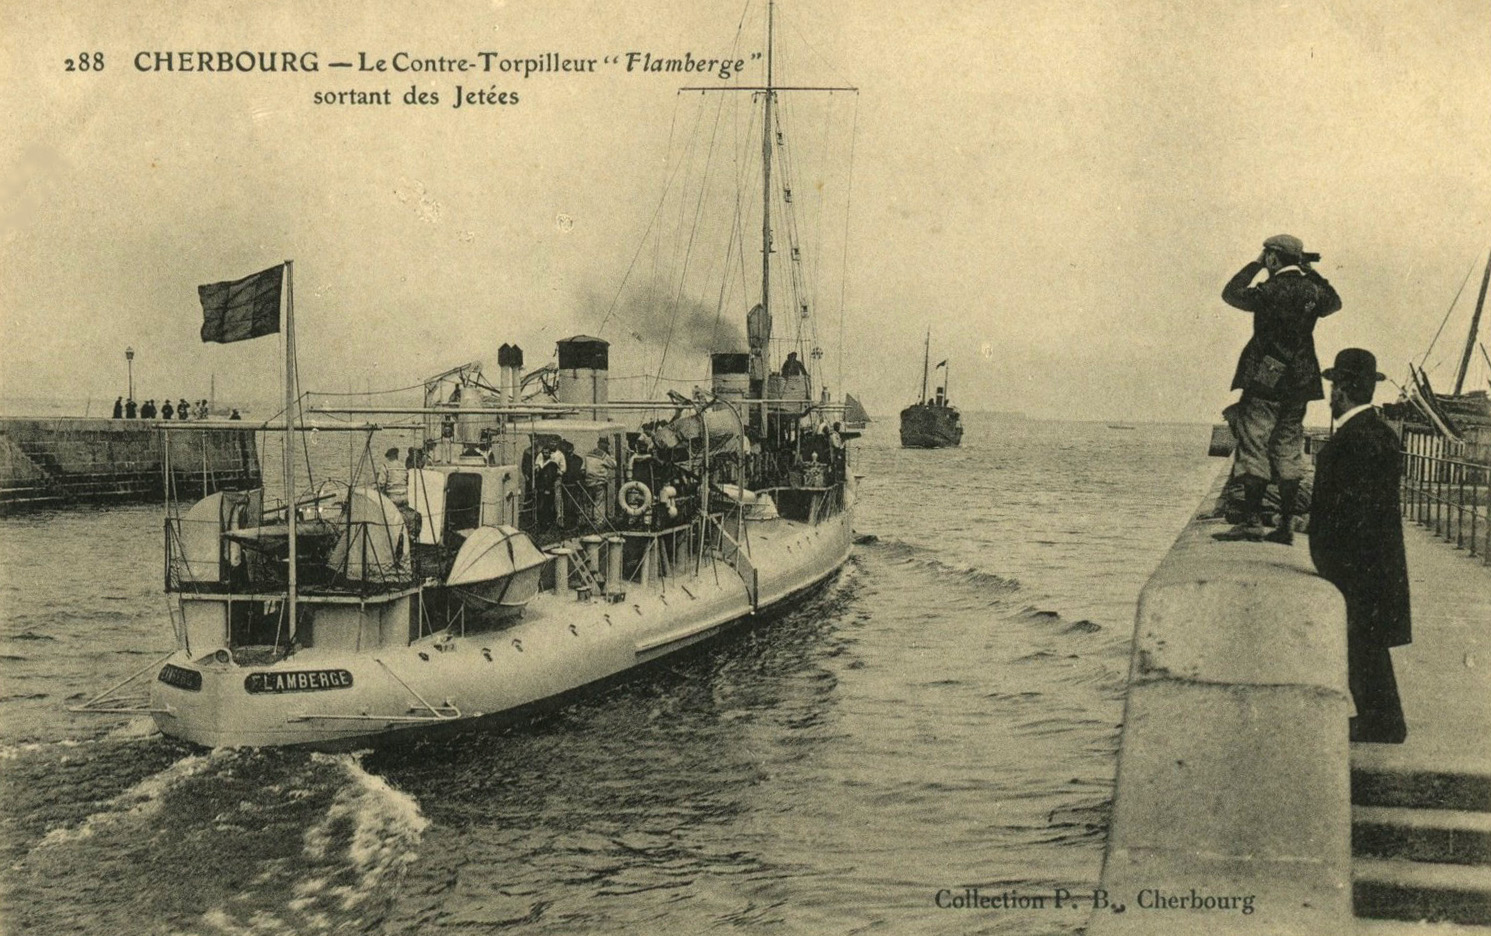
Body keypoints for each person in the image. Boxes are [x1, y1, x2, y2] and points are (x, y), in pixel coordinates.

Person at [1308, 348, 1410, 744]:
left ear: (1343, 390)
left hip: (1356, 563)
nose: (1330, 394)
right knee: (1369, 644)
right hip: (1377, 560)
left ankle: (1382, 723)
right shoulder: (1380, 435)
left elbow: (1345, 512)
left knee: (1363, 642)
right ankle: (1380, 719)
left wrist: (1330, 561)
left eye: (1334, 386)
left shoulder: (1350, 441)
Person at [1219, 234, 1341, 541]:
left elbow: (1231, 294)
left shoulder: (1269, 290)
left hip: (1266, 377)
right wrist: (1310, 271)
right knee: (1288, 448)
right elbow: (1334, 302)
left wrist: (1256, 265)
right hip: (1300, 381)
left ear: (1273, 257)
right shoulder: (1312, 289)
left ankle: (1251, 521)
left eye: (1267, 255)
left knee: (1254, 445)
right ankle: (1285, 525)